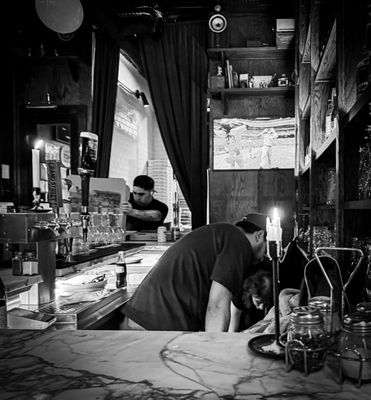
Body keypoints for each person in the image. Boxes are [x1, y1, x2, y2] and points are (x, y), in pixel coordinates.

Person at [119, 213, 268, 332]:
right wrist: (214, 352)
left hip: (146, 320)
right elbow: (217, 306)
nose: (264, 257)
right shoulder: (238, 242)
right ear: (260, 235)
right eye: (268, 249)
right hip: (154, 326)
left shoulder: (223, 234)